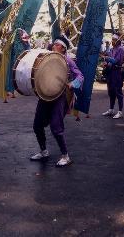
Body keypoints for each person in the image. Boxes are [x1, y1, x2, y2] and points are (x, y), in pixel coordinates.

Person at [31, 34, 84, 167]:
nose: (53, 45)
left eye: (57, 44)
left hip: (59, 97)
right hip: (45, 95)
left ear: (63, 48)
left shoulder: (68, 61)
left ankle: (65, 156)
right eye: (54, 44)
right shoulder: (47, 59)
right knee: (37, 125)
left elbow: (80, 76)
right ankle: (43, 151)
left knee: (56, 127)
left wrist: (73, 84)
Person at [102, 33, 124, 119]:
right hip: (110, 73)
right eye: (112, 39)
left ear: (119, 41)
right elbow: (110, 61)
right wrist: (106, 63)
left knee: (118, 91)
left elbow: (117, 61)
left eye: (114, 40)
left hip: (117, 72)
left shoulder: (121, 49)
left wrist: (107, 59)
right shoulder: (111, 50)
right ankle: (111, 109)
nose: (113, 41)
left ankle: (120, 111)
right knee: (111, 92)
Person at [6, 28, 31, 97]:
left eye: (20, 33)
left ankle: (24, 90)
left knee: (21, 76)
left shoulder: (25, 43)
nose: (19, 34)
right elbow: (9, 51)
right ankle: (11, 91)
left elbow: (28, 50)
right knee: (12, 75)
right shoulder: (14, 43)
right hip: (14, 61)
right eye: (18, 33)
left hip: (22, 63)